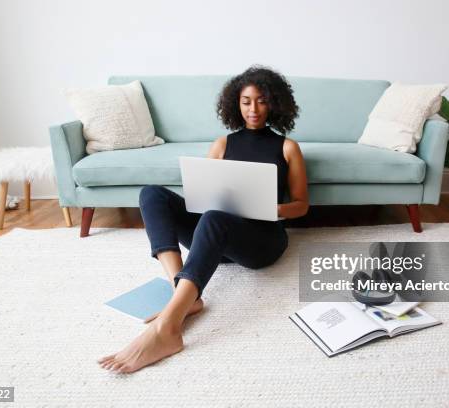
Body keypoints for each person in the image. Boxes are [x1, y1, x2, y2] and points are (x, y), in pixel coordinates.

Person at [98, 66, 309, 374]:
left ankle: (169, 327)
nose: (253, 109)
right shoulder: (222, 144)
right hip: (216, 234)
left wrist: (272, 208)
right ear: (236, 104)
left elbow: (302, 205)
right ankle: (181, 290)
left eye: (261, 101)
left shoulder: (287, 147)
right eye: (246, 101)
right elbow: (206, 193)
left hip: (262, 241)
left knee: (214, 218)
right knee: (152, 194)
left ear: (274, 104)